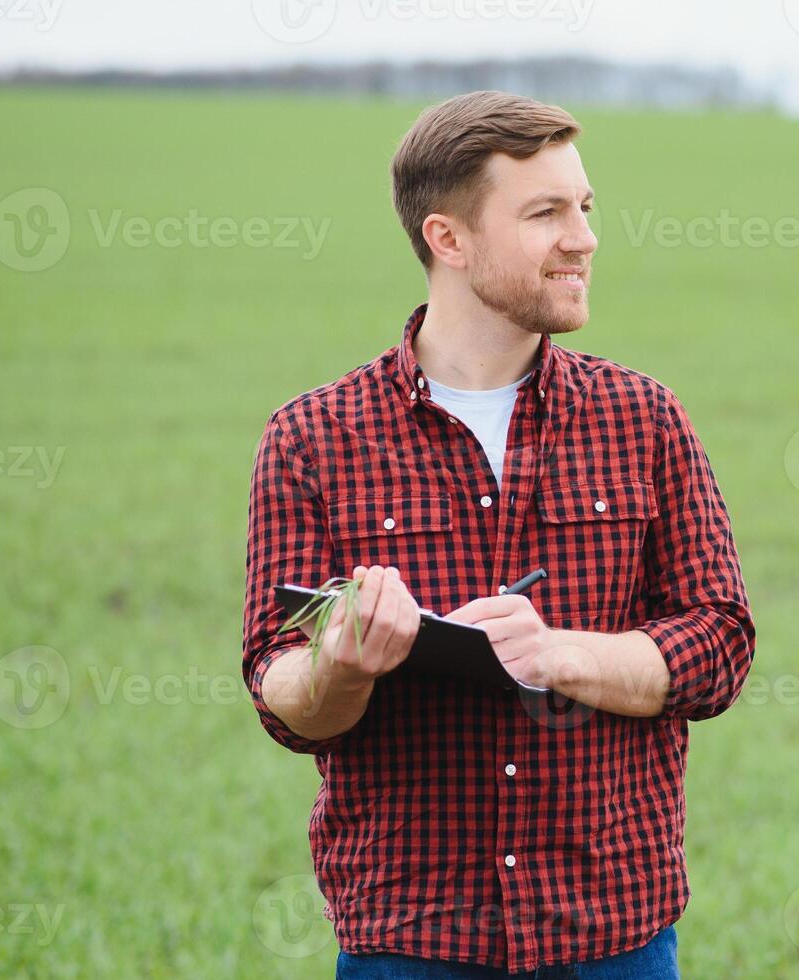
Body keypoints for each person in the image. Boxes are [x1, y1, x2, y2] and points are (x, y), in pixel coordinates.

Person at [241, 90, 756, 979]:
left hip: (612, 939)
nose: (583, 238)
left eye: (584, 208)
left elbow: (720, 644)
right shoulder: (312, 438)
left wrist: (557, 655)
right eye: (546, 213)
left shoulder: (644, 418)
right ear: (449, 239)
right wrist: (344, 661)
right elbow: (280, 693)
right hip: (411, 942)